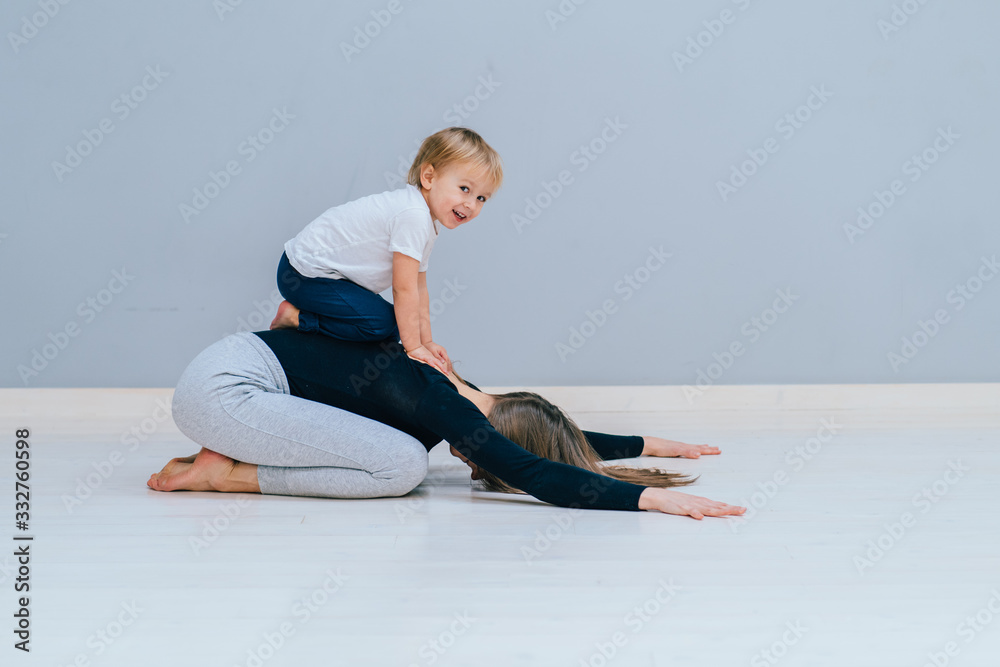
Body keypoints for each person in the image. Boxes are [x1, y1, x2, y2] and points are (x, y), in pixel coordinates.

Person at [148, 330, 746, 520]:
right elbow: (534, 468)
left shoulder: (463, 392)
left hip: (226, 372)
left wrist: (650, 444)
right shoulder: (450, 412)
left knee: (403, 452)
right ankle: (225, 476)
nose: (474, 463)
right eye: (487, 461)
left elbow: (551, 436)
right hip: (223, 394)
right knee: (403, 465)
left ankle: (223, 463)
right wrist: (648, 501)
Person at [269, 127, 502, 375]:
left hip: (325, 276)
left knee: (392, 328)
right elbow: (403, 288)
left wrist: (426, 342)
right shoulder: (412, 216)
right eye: (465, 189)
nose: (471, 204)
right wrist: (413, 349)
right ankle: (296, 318)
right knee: (380, 325)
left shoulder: (425, 221)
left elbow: (420, 287)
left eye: (481, 198)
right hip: (302, 275)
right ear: (429, 178)